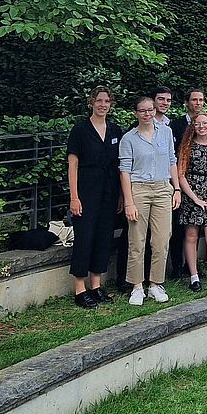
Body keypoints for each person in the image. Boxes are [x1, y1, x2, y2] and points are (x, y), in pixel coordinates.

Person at [66, 87, 124, 308]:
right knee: (85, 237)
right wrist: (74, 197)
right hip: (86, 192)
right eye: (99, 100)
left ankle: (96, 286)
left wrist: (120, 195)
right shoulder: (80, 130)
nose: (103, 104)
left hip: (109, 192)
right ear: (91, 102)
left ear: (111, 104)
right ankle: (80, 289)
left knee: (103, 237)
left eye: (107, 101)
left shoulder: (115, 130)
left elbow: (120, 165)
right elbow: (73, 165)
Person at [119, 96, 180, 305]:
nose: (147, 114)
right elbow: (125, 172)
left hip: (163, 188)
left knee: (162, 239)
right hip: (139, 190)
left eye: (150, 110)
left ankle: (155, 284)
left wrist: (177, 188)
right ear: (136, 113)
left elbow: (172, 161)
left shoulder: (166, 131)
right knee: (137, 240)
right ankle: (137, 286)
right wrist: (129, 202)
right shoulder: (129, 138)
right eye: (143, 111)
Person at [175, 112, 207, 292]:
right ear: (193, 126)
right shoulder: (187, 146)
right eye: (198, 124)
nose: (201, 127)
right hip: (192, 194)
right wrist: (194, 198)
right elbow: (180, 175)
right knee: (191, 236)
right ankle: (194, 276)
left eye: (205, 123)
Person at [166, 87, 207, 277]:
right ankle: (177, 266)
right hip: (179, 181)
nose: (197, 103)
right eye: (194, 100)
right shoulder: (175, 125)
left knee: (195, 228)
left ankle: (190, 266)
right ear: (187, 102)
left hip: (201, 184)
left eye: (200, 100)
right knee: (177, 227)